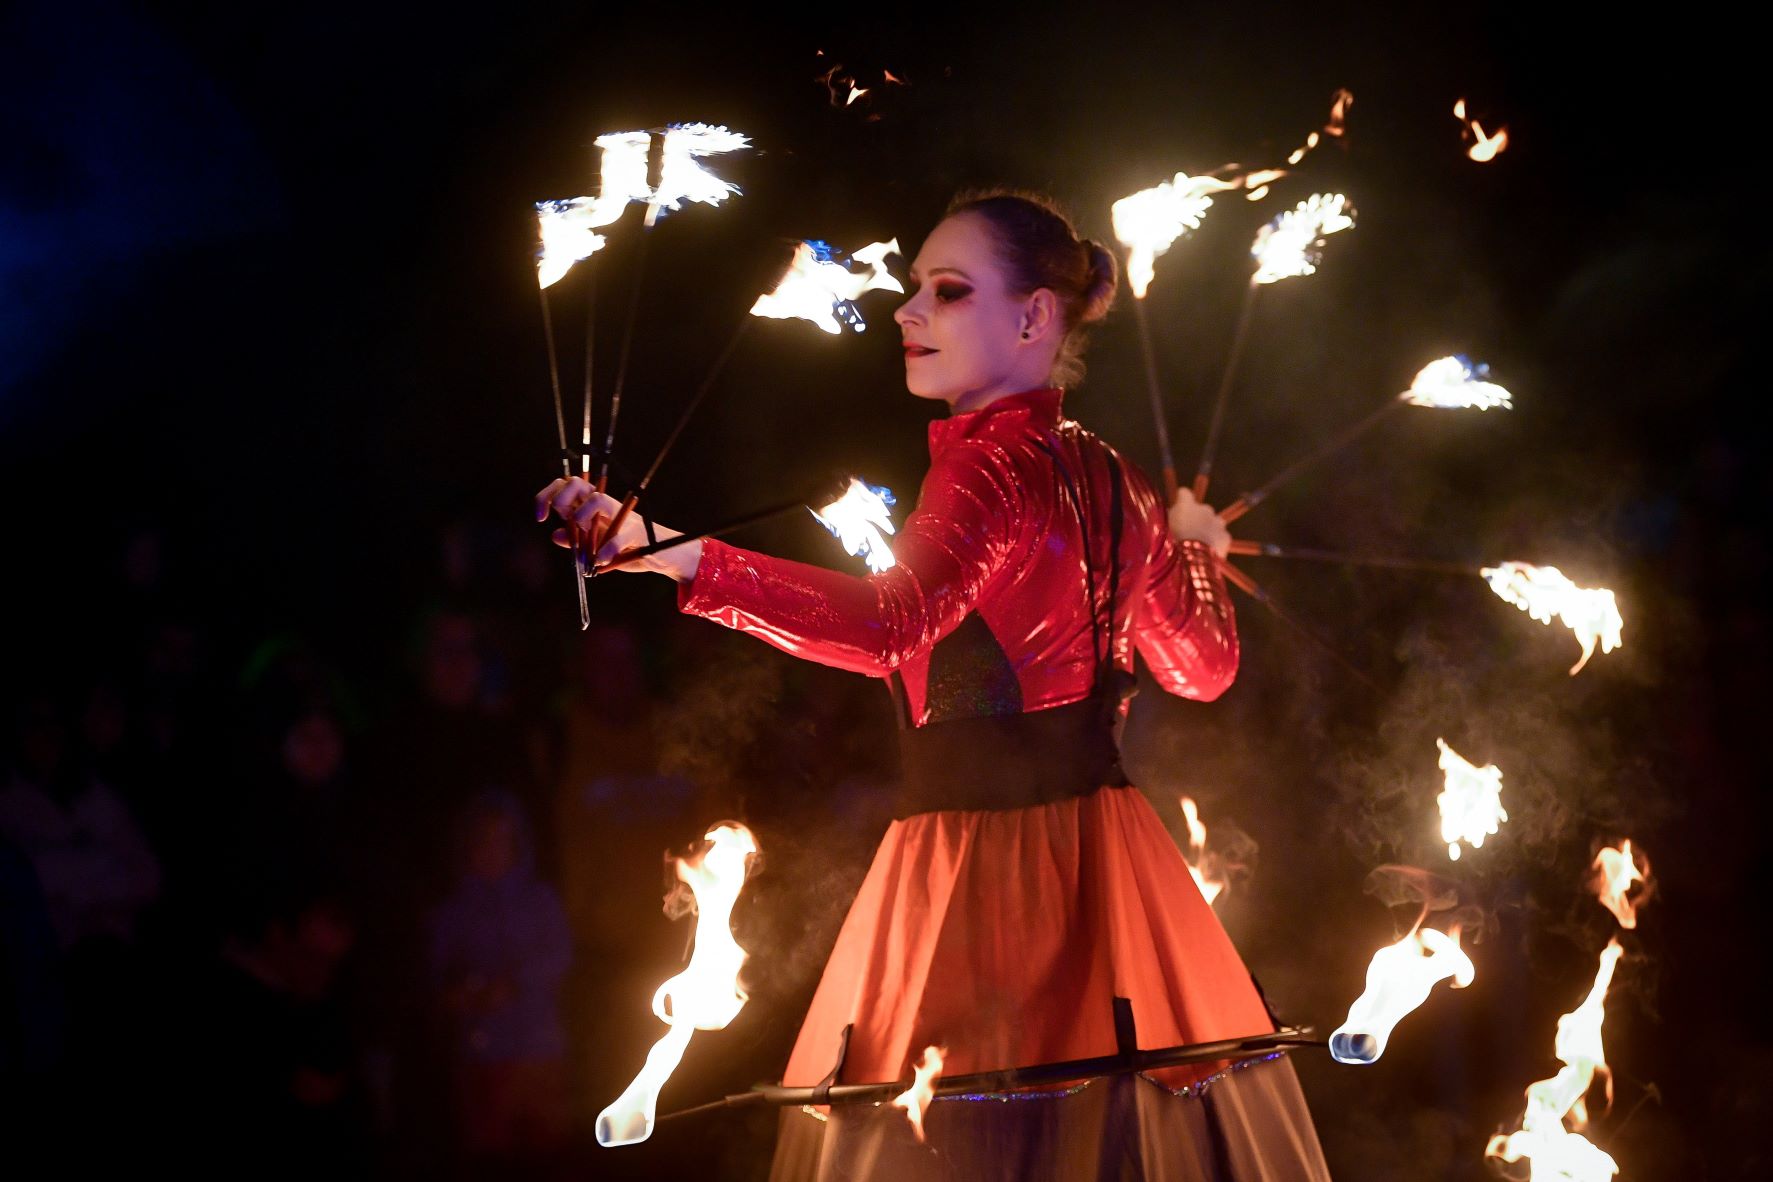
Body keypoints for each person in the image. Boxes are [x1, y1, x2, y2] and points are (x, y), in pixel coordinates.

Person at [537, 191, 1330, 1180]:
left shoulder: (988, 469)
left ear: (1034, 317)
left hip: (980, 872)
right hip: (1110, 864)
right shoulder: (1117, 479)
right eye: (915, 286)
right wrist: (1195, 552)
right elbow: (1203, 667)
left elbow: (887, 627)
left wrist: (666, 551)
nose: (906, 310)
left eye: (948, 291)